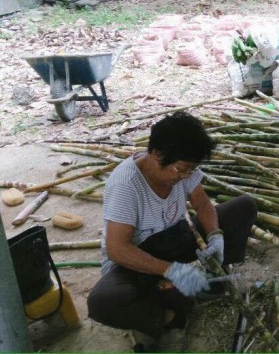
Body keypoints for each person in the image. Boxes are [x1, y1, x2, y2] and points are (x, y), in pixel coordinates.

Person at [87, 111, 257, 352]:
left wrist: (215, 237)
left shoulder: (183, 171)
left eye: (191, 169)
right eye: (181, 169)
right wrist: (171, 271)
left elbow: (203, 205)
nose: (186, 176)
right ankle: (170, 318)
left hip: (177, 238)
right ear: (156, 154)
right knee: (103, 302)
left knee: (244, 207)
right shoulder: (126, 185)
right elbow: (117, 249)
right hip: (139, 259)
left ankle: (209, 280)